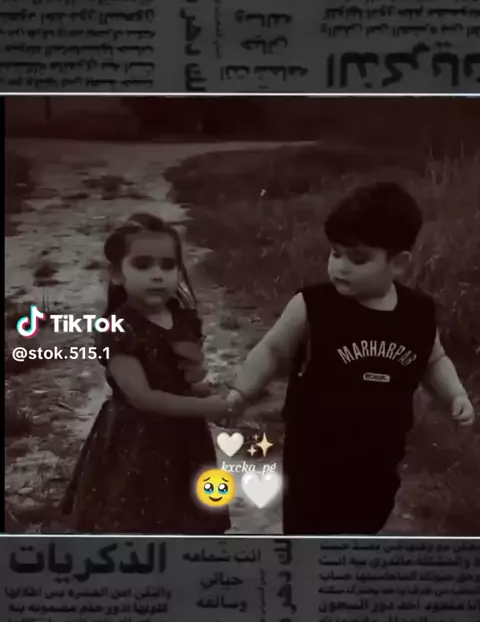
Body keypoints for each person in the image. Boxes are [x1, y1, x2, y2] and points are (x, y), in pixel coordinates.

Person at [225, 182, 475, 535]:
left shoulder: (418, 313)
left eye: (358, 258)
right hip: (314, 456)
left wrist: (455, 394)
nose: (340, 267)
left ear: (399, 263)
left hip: (381, 455)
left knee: (366, 522)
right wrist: (241, 392)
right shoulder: (313, 306)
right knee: (310, 531)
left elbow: (434, 360)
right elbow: (272, 350)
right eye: (335, 253)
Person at [62, 212, 230, 534]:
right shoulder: (119, 330)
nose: (157, 275)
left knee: (189, 518)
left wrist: (210, 393)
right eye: (142, 265)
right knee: (139, 520)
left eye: (168, 266)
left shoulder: (182, 318)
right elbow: (143, 397)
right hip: (137, 440)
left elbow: (186, 379)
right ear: (116, 274)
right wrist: (207, 407)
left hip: (185, 438)